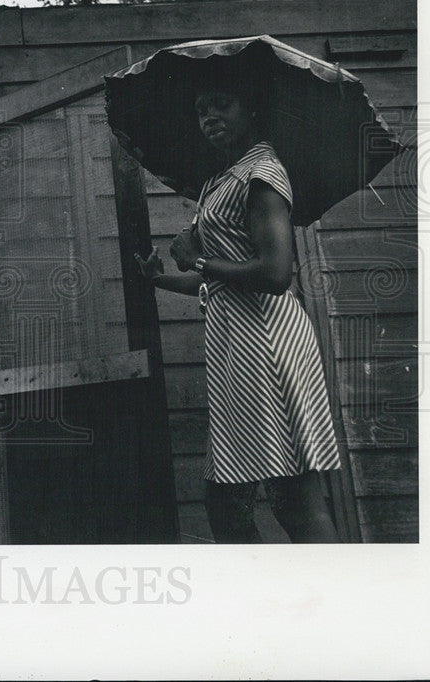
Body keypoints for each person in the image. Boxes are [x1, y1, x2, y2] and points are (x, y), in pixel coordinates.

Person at [134, 80, 341, 543]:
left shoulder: (262, 174)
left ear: (252, 111)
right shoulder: (218, 182)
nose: (209, 117)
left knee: (287, 495)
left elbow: (274, 274)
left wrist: (199, 260)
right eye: (202, 109)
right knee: (257, 495)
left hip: (266, 339)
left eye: (222, 104)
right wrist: (162, 279)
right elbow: (219, 281)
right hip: (237, 343)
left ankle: (333, 597)